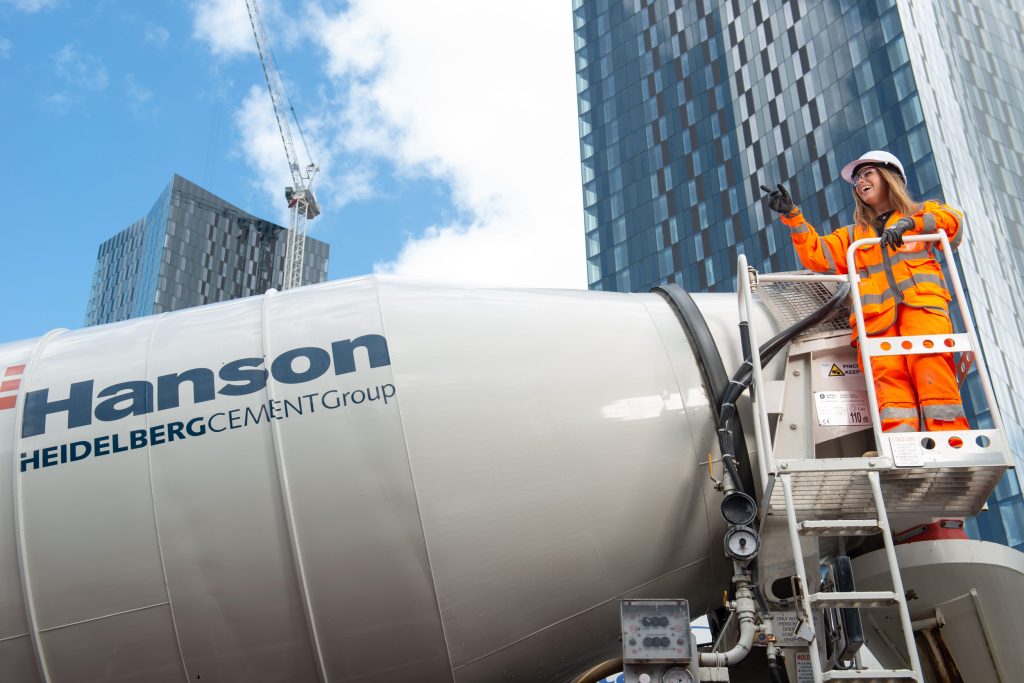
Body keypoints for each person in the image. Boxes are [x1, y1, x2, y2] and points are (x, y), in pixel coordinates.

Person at [761, 150, 968, 434]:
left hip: (922, 311)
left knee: (931, 370)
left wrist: (910, 224)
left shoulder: (921, 213)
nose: (860, 182)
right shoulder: (852, 235)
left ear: (890, 178)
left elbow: (952, 223)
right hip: (876, 323)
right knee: (889, 385)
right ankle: (901, 447)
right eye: (856, 179)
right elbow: (816, 254)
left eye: (867, 173)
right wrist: (792, 216)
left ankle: (951, 440)